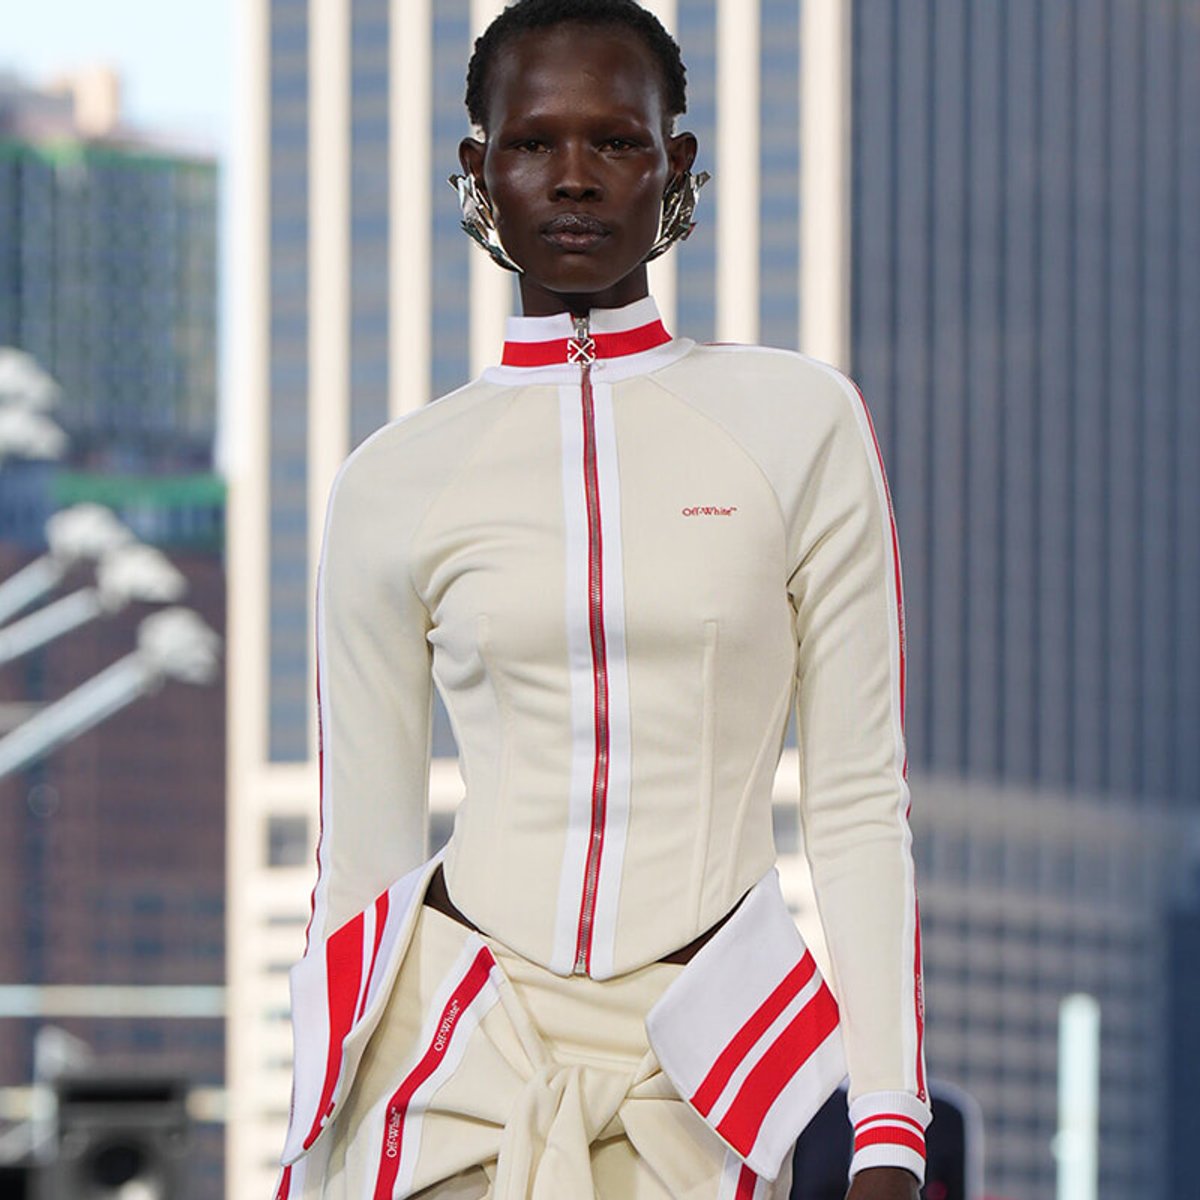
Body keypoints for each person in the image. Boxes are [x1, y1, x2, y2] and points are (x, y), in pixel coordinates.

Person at [274, 2, 928, 1198]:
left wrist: (889, 1127)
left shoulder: (800, 425)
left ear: (675, 165)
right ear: (480, 169)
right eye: (533, 143)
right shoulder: (391, 479)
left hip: (705, 1071)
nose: (573, 178)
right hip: (452, 1059)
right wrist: (305, 1162)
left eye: (616, 141)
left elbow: (854, 801)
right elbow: (361, 854)